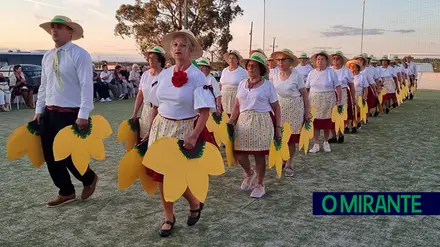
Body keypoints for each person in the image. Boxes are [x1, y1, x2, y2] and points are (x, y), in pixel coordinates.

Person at [140, 30, 216, 237]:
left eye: (183, 45)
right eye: (175, 45)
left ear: (191, 50)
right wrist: (149, 129)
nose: (178, 48)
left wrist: (193, 135)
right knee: (161, 176)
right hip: (161, 128)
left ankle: (192, 201)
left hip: (183, 129)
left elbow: (204, 112)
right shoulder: (164, 74)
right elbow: (156, 104)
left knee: (174, 175)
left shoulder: (198, 77)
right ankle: (169, 216)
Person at [34, 15, 98, 207]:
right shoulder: (47, 56)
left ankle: (89, 178)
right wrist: (39, 109)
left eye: (60, 27)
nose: (55, 30)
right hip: (49, 111)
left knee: (69, 155)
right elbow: (44, 85)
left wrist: (83, 114)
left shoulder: (80, 54)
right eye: (53, 27)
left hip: (71, 112)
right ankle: (66, 191)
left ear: (70, 32)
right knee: (50, 155)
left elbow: (87, 85)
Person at [228, 52, 282, 198]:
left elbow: (276, 107)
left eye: (254, 66)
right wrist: (231, 120)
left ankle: (260, 183)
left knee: (259, 155)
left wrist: (278, 128)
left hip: (261, 121)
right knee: (239, 152)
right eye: (249, 65)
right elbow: (237, 105)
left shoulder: (268, 86)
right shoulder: (241, 84)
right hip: (243, 121)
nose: (250, 68)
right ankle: (249, 173)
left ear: (261, 69)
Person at [271, 49, 310, 177]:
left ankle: (290, 162)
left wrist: (307, 112)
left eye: (283, 59)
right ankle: (282, 158)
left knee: (291, 138)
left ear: (290, 61)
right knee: (280, 136)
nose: (280, 62)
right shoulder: (274, 75)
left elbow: (304, 94)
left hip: (294, 108)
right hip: (279, 108)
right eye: (278, 60)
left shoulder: (296, 75)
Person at [306, 51, 342, 153]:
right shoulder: (311, 73)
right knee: (315, 122)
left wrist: (339, 101)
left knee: (326, 123)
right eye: (318, 59)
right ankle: (316, 144)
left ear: (326, 61)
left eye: (322, 59)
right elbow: (307, 88)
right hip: (314, 100)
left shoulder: (331, 72)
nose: (320, 61)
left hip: (328, 99)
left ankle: (326, 142)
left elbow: (338, 87)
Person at [131, 46, 166, 138]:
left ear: (160, 59)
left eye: (154, 57)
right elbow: (140, 95)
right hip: (146, 110)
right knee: (144, 138)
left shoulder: (166, 75)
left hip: (161, 112)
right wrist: (135, 113)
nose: (150, 60)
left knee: (158, 138)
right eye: (149, 57)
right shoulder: (145, 75)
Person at [330, 51, 354, 141]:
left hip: (343, 92)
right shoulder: (329, 70)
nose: (335, 60)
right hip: (331, 93)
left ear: (341, 60)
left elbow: (351, 86)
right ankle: (333, 135)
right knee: (331, 114)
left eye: (337, 58)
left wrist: (353, 98)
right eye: (334, 58)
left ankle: (341, 134)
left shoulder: (346, 70)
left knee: (340, 114)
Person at [219, 50, 248, 116]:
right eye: (230, 58)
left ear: (237, 60)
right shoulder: (224, 70)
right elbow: (220, 84)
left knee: (235, 117)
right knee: (224, 118)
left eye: (233, 58)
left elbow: (246, 85)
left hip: (236, 98)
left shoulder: (242, 71)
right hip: (223, 98)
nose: (231, 60)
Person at [346, 59, 369, 131]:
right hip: (348, 95)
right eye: (350, 67)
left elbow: (366, 87)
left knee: (357, 110)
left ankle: (356, 125)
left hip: (358, 95)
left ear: (358, 68)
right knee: (349, 110)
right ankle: (347, 125)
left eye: (354, 67)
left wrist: (365, 96)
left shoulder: (362, 76)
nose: (352, 68)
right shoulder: (348, 76)